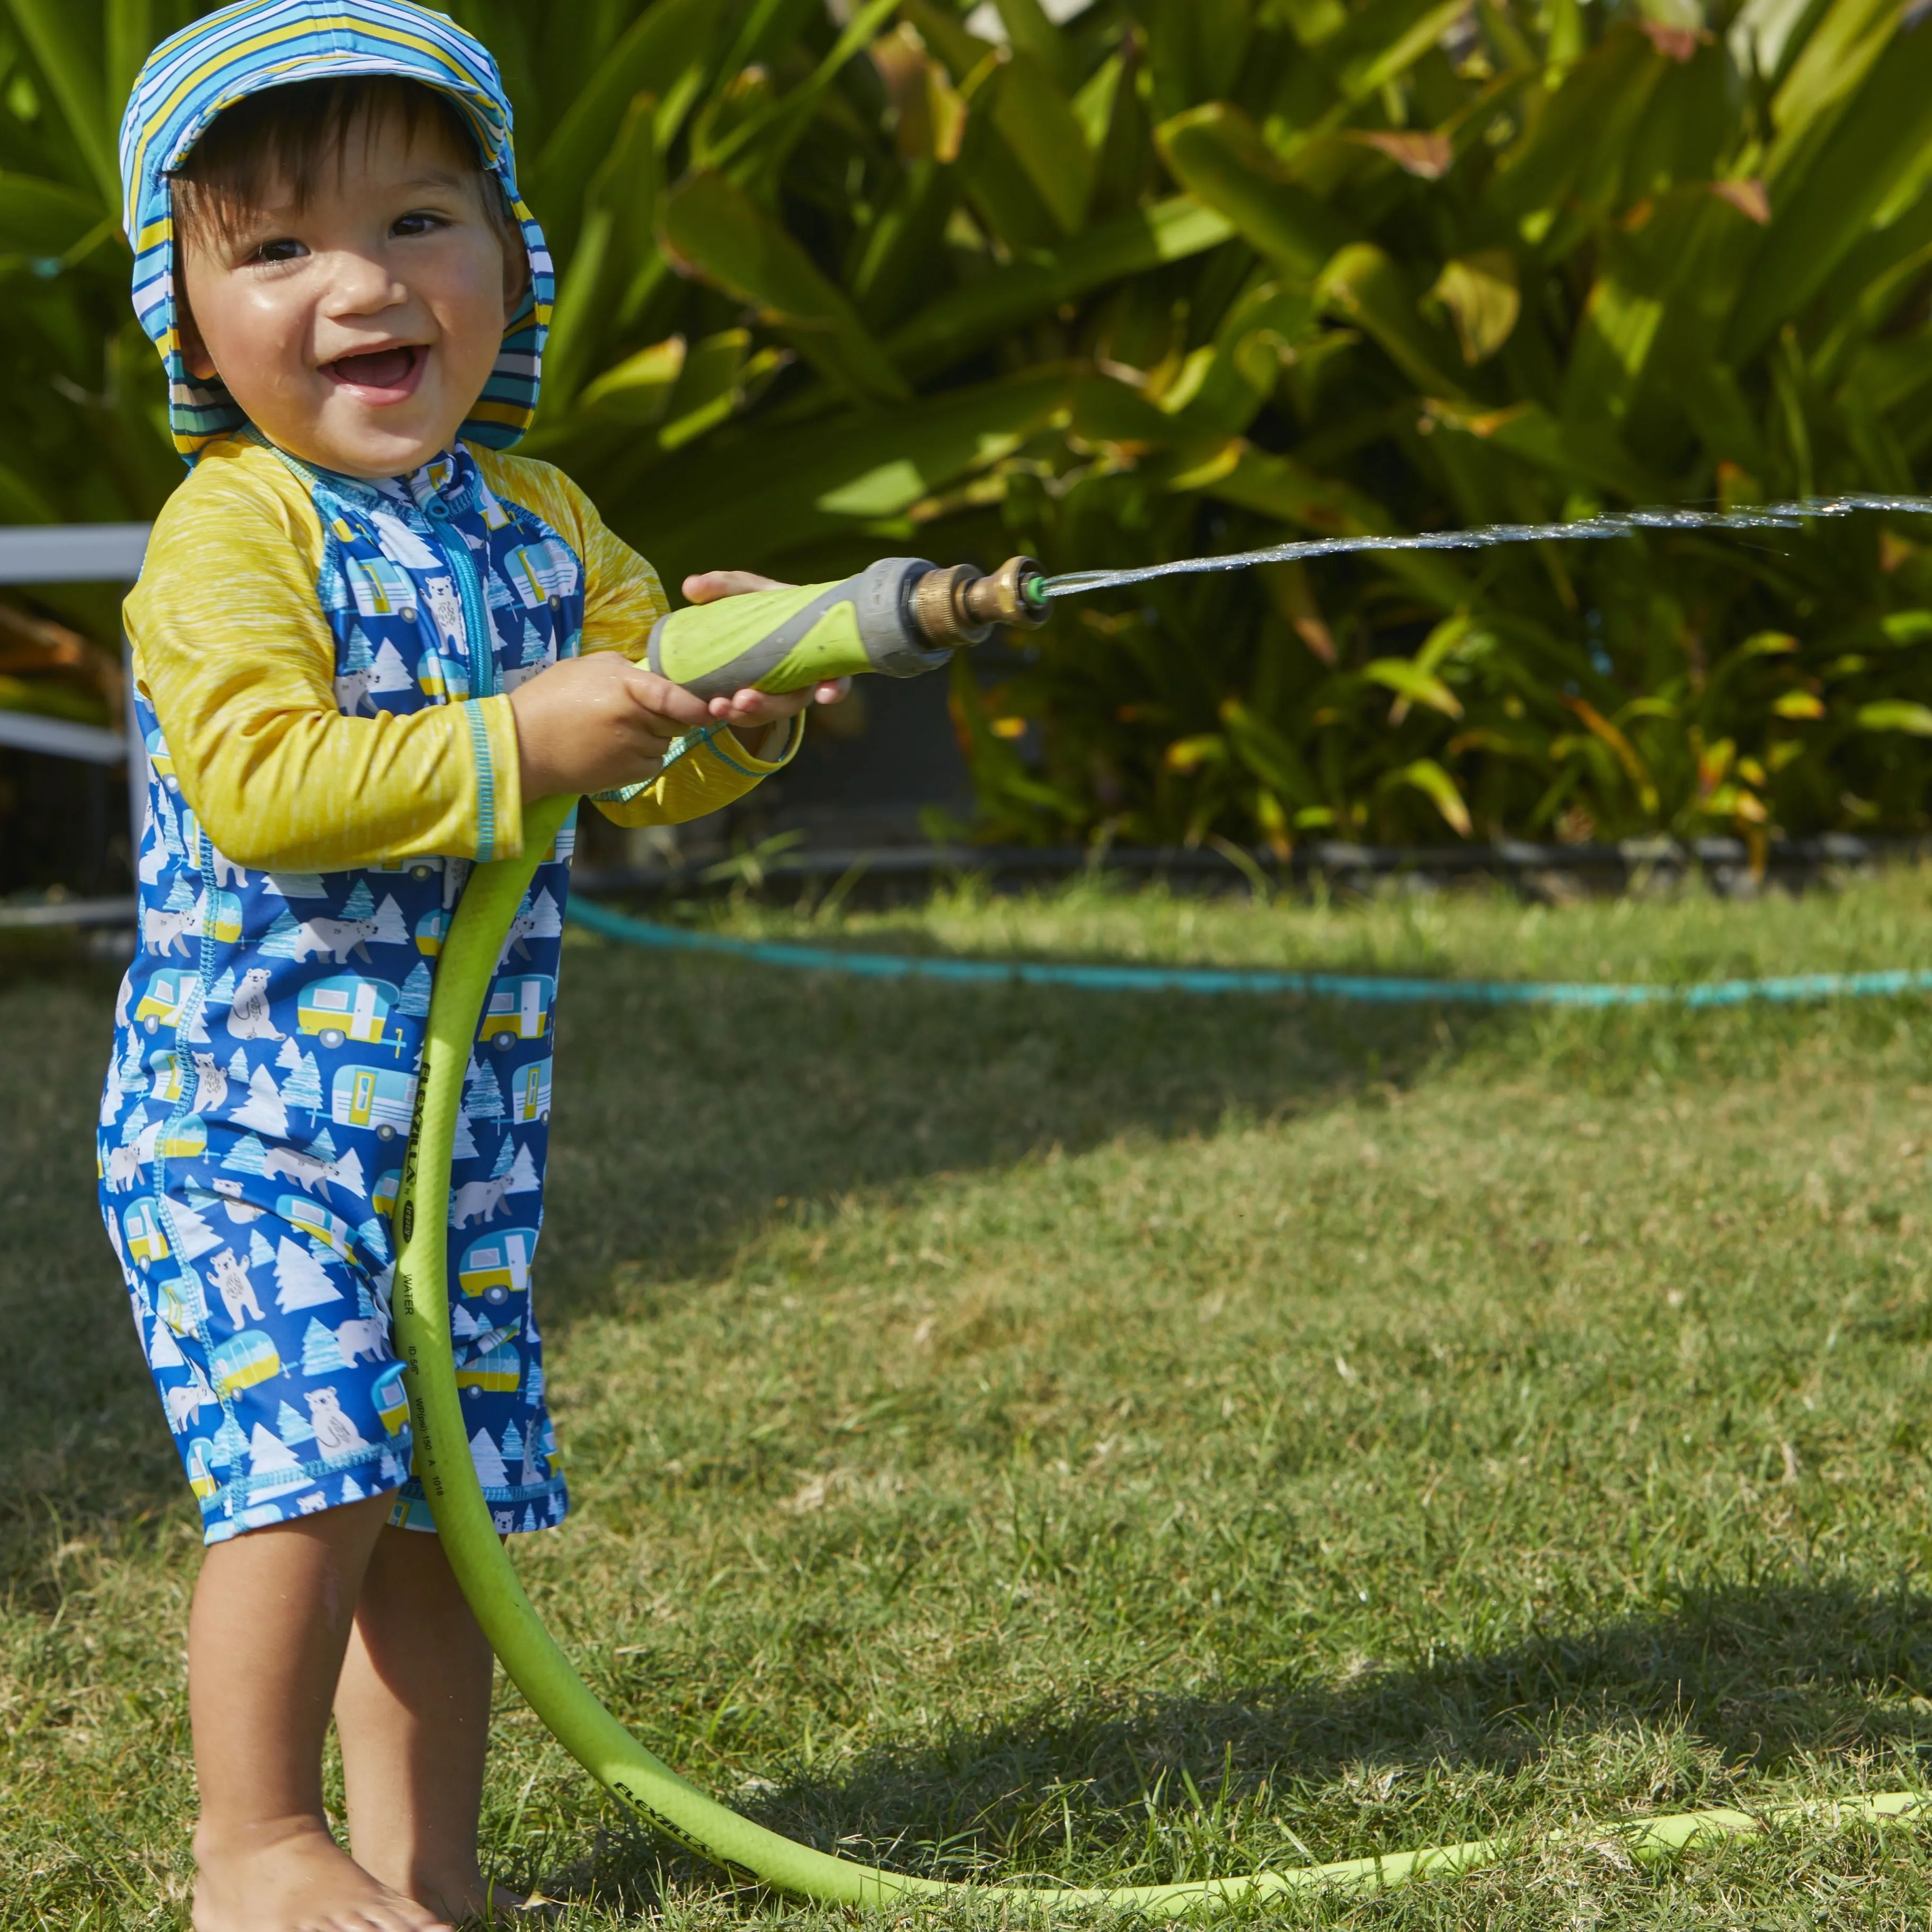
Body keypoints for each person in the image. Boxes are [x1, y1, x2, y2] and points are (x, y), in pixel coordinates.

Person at [98, 6, 846, 1927]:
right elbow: (259, 785)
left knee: (436, 1513)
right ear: (187, 315)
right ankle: (253, 1845)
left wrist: (737, 711)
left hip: (452, 1143)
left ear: (508, 255)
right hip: (242, 1125)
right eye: (276, 250)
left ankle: (429, 1880)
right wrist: (515, 739)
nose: (363, 281)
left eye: (421, 220)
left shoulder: (544, 524)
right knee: (319, 1462)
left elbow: (642, 753)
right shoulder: (230, 531)